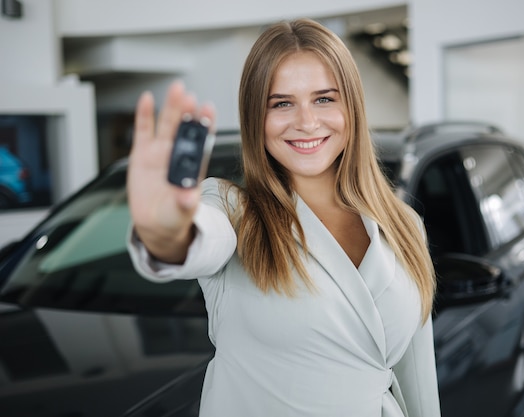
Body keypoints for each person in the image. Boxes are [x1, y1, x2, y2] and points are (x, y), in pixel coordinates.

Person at [127, 18, 440, 417]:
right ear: (256, 116)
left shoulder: (404, 224)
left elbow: (418, 381)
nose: (307, 122)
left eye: (325, 99)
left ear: (352, 108)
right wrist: (166, 231)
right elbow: (196, 241)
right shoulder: (232, 209)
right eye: (281, 103)